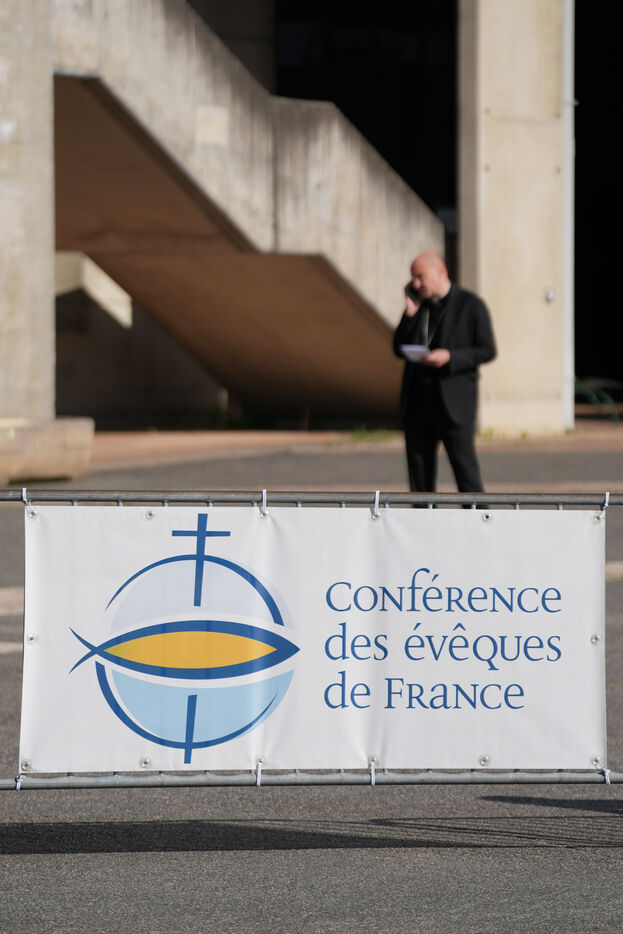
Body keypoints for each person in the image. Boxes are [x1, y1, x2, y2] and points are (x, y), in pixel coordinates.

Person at [392, 251, 496, 493]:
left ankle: (478, 516)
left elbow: (487, 350)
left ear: (441, 272)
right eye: (413, 278)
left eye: (420, 276)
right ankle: (423, 517)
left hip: (454, 406)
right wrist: (409, 313)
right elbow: (397, 348)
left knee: (467, 476)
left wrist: (451, 357)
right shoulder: (418, 306)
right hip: (418, 407)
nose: (415, 284)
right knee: (420, 483)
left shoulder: (471, 305)